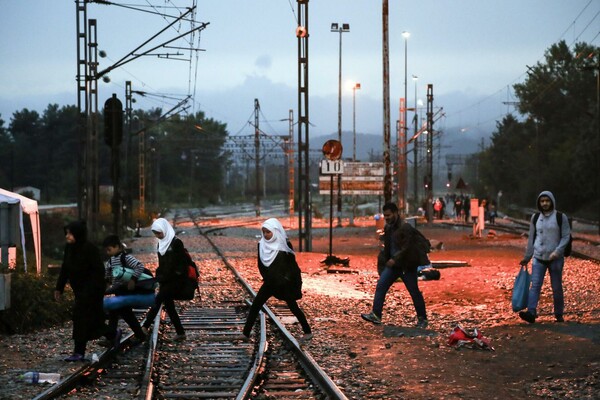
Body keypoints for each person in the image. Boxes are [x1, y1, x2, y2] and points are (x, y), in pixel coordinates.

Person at [54, 220, 121, 361]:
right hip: (80, 291)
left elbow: (99, 271)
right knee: (90, 321)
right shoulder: (69, 248)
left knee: (83, 319)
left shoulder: (90, 249)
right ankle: (112, 334)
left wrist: (93, 290)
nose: (67, 236)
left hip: (93, 291)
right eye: (67, 233)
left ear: (78, 234)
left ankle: (79, 351)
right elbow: (65, 269)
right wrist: (59, 288)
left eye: (70, 233)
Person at [242, 218, 312, 340]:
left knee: (293, 307)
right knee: (256, 305)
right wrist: (267, 278)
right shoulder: (261, 245)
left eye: (268, 232)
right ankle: (245, 333)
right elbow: (260, 264)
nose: (265, 235)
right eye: (263, 232)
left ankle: (307, 332)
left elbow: (292, 267)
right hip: (270, 282)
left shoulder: (284, 245)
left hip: (283, 283)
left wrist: (290, 281)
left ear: (275, 231)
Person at [361, 202, 428, 328]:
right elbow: (387, 248)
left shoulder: (405, 227)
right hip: (393, 266)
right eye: (385, 215)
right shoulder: (388, 228)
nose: (387, 218)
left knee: (414, 291)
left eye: (389, 215)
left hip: (406, 266)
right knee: (381, 285)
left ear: (396, 213)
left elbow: (407, 247)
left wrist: (395, 259)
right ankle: (376, 314)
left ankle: (422, 319)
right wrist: (384, 262)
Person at [519, 191, 571, 324]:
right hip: (538, 257)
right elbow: (531, 238)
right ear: (539, 203)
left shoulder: (561, 217)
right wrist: (527, 256)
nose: (545, 203)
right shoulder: (535, 217)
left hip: (555, 259)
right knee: (535, 285)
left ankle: (559, 314)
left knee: (556, 287)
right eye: (542, 201)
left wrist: (558, 251)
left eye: (547, 201)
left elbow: (566, 236)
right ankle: (531, 312)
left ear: (552, 201)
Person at [102, 234, 155, 345]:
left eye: (109, 249)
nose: (108, 252)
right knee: (122, 313)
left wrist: (133, 280)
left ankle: (113, 337)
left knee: (122, 313)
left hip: (126, 291)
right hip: (118, 292)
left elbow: (139, 266)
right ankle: (137, 335)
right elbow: (108, 277)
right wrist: (105, 288)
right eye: (106, 250)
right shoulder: (110, 262)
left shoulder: (125, 257)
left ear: (117, 246)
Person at [141, 218, 186, 341]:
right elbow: (161, 264)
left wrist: (173, 275)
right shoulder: (160, 244)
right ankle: (180, 332)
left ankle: (145, 326)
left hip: (175, 280)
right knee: (169, 306)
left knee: (158, 300)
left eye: (159, 233)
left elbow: (181, 263)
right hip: (165, 280)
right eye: (155, 233)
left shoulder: (176, 243)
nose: (158, 236)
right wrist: (160, 276)